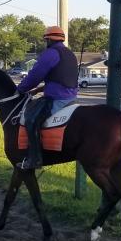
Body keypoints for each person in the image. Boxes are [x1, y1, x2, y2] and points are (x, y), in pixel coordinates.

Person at [16, 26, 78, 170]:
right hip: (72, 99)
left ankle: (35, 160)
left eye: (46, 40)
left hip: (56, 99)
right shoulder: (70, 54)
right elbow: (59, 78)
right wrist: (38, 90)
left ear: (48, 39)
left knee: (30, 119)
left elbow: (35, 76)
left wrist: (20, 90)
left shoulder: (50, 53)